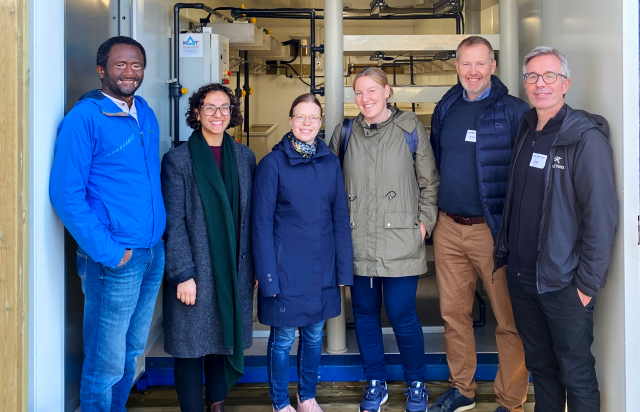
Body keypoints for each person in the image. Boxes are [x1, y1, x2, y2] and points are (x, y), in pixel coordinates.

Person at [494, 46, 618, 412]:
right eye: (532, 76)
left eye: (550, 76)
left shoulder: (584, 138)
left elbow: (602, 215)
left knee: (576, 374)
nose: (540, 84)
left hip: (564, 284)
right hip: (522, 279)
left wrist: (586, 286)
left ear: (565, 84)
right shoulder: (527, 128)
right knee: (543, 370)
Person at [49, 36, 165, 411]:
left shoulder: (144, 112)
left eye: (136, 65)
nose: (130, 73)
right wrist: (110, 253)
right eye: (120, 65)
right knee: (105, 361)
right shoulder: (84, 118)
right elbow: (66, 196)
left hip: (150, 253)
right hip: (115, 260)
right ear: (102, 70)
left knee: (132, 351)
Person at [428, 36, 530, 412]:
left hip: (493, 230)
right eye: (465, 64)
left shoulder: (515, 111)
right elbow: (437, 158)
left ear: (493, 66)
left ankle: (511, 399)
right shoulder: (447, 105)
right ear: (456, 66)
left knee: (508, 320)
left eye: (480, 64)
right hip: (448, 228)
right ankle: (463, 390)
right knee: (454, 315)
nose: (472, 72)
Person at [329, 68, 439, 412]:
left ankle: (416, 383)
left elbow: (429, 183)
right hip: (357, 241)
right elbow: (326, 182)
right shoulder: (345, 132)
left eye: (372, 91)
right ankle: (376, 382)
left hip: (400, 241)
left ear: (387, 91)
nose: (365, 99)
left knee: (403, 314)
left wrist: (424, 225)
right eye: (358, 92)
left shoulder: (410, 129)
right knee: (363, 313)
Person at [252, 93, 354, 412]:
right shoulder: (272, 164)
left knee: (313, 337)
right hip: (286, 272)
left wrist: (343, 270)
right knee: (282, 341)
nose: (307, 123)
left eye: (313, 118)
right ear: (291, 120)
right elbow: (261, 224)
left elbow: (340, 216)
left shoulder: (329, 162)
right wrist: (268, 277)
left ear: (321, 123)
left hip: (322, 269)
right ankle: (280, 402)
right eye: (301, 117)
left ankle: (307, 396)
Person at [161, 83, 256, 412]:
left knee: (221, 340)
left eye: (225, 108)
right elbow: (173, 221)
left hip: (234, 267)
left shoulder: (245, 158)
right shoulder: (178, 160)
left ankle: (217, 404)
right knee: (190, 346)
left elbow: (250, 217)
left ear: (232, 114)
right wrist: (182, 273)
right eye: (210, 108)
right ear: (197, 113)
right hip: (195, 268)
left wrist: (255, 267)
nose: (218, 114)